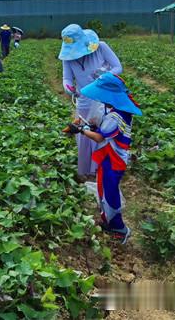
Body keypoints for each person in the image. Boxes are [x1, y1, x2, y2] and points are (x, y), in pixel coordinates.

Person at [65, 73, 141, 245]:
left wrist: (80, 130)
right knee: (103, 188)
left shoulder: (117, 116)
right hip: (109, 155)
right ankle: (108, 221)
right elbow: (100, 130)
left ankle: (120, 229)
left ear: (109, 96)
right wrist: (87, 126)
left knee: (110, 191)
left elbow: (99, 137)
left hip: (115, 159)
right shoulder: (114, 110)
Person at [59, 24, 123, 181]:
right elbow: (67, 77)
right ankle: (88, 168)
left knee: (103, 131)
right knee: (84, 132)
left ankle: (104, 166)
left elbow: (117, 67)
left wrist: (103, 76)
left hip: (104, 98)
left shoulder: (100, 47)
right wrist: (69, 88)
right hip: (84, 100)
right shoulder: (68, 59)